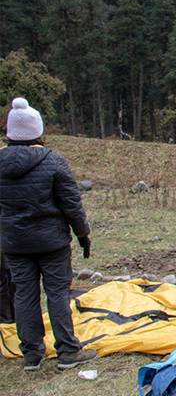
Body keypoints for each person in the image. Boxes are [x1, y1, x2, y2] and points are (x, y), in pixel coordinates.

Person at [0, 98, 96, 371]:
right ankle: (67, 351)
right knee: (56, 292)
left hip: (14, 243)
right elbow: (72, 205)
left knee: (24, 294)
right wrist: (82, 235)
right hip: (51, 241)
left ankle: (31, 354)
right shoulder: (53, 161)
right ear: (38, 131)